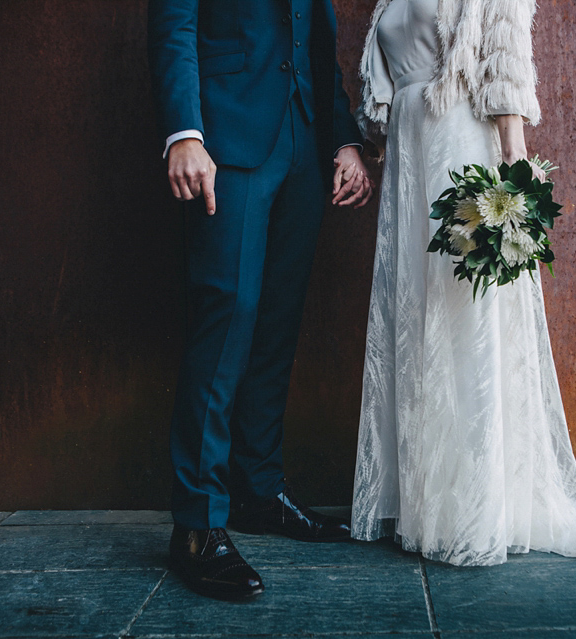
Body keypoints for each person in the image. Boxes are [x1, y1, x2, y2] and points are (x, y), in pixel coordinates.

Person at [351, 0, 576, 567]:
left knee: (462, 322)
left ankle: (470, 513)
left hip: (459, 143)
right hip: (409, 153)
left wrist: (513, 166)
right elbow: (384, 75)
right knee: (414, 320)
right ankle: (421, 504)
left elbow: (504, 64)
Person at [147, 0, 375, 600]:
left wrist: (342, 138)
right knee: (228, 320)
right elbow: (175, 23)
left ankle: (259, 491)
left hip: (303, 140)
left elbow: (313, 38)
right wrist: (184, 132)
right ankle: (196, 526)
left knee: (276, 325)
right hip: (225, 137)